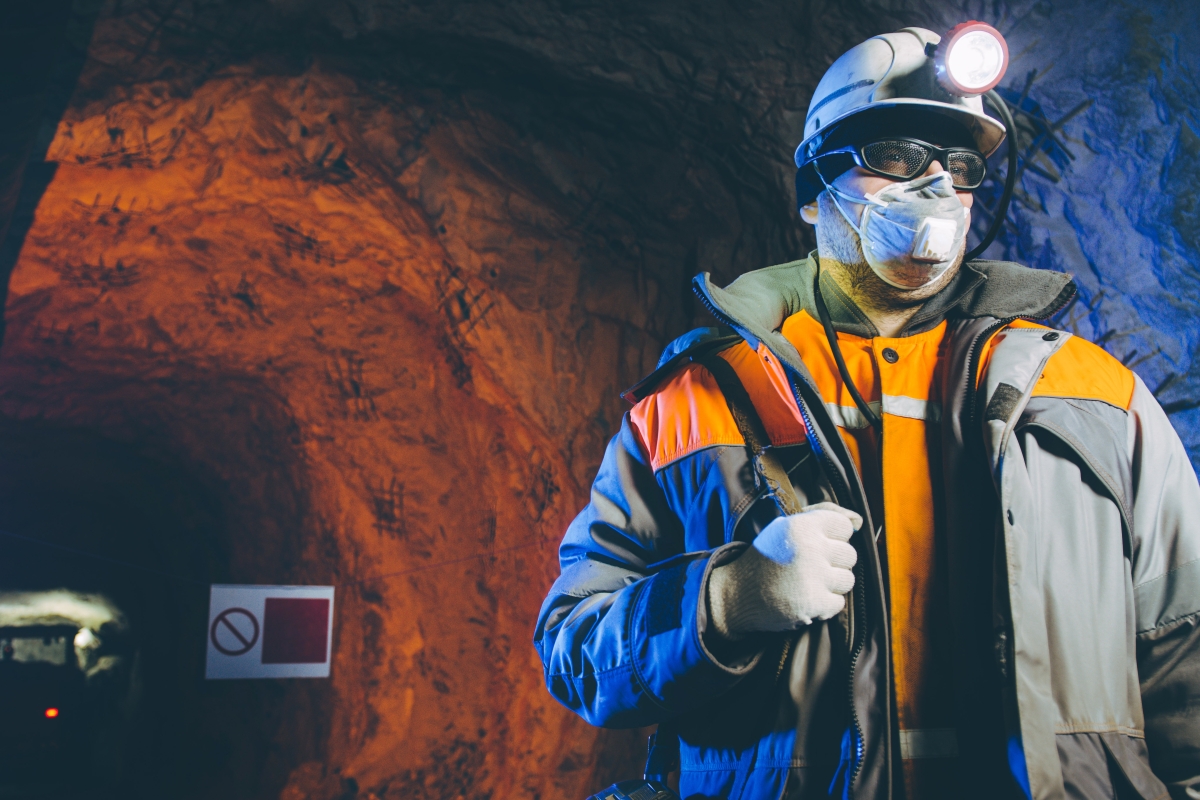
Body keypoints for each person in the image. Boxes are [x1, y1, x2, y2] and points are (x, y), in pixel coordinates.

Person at [535, 25, 1200, 800]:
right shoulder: (698, 401)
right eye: (895, 157)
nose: (936, 189)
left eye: (959, 167)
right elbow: (573, 649)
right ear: (815, 195)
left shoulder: (1092, 396)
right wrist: (728, 598)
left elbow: (1185, 649)